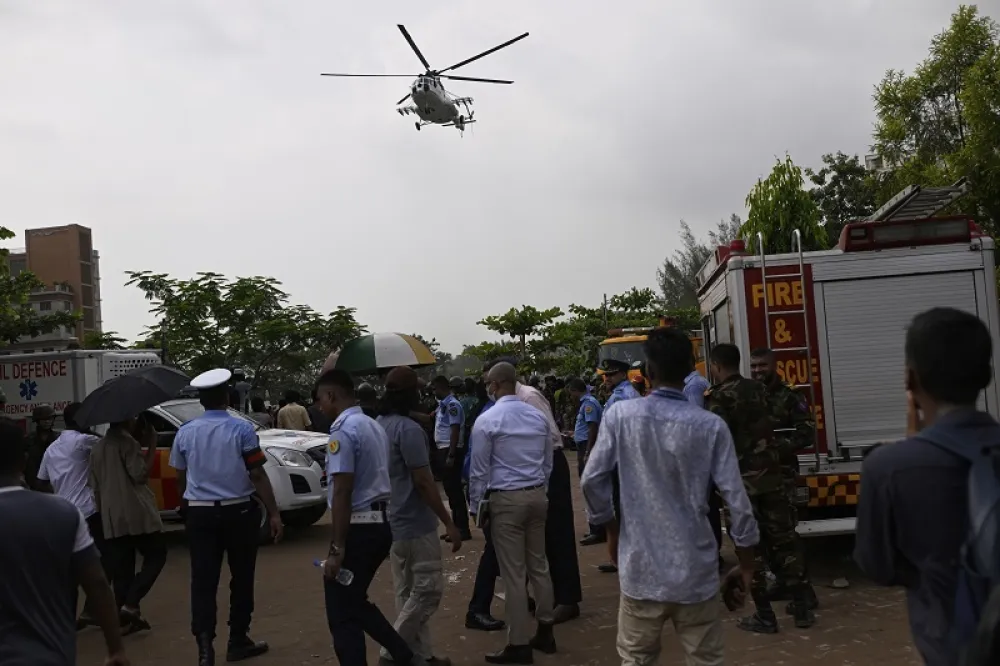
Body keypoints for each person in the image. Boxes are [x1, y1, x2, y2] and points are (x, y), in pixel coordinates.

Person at [581, 328, 759, 666]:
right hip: (696, 572)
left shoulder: (621, 417)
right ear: (691, 368)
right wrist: (747, 564)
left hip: (640, 572)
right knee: (706, 659)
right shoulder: (709, 426)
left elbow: (592, 480)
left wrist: (612, 530)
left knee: (636, 658)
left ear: (648, 371)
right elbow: (738, 503)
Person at [855, 308, 1000, 666]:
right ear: (988, 375)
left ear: (909, 379)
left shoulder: (887, 468)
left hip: (950, 649)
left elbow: (877, 567)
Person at [169, 368, 283, 666]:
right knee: (241, 577)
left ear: (201, 401)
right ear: (227, 397)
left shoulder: (185, 432)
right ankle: (237, 640)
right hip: (238, 512)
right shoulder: (242, 430)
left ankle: (205, 649)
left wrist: (187, 504)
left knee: (203, 581)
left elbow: (180, 475)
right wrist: (273, 512)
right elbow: (256, 472)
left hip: (200, 514)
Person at [0, 419, 131, 666]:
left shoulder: (53, 455)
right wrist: (115, 648)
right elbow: (97, 583)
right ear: (23, 460)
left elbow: (41, 481)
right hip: (50, 654)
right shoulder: (65, 515)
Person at [313, 369, 420, 666]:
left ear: (332, 396)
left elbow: (343, 490)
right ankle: (403, 655)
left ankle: (400, 655)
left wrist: (336, 549)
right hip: (379, 524)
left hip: (359, 527)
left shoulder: (343, 431)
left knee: (340, 611)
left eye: (321, 399)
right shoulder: (371, 425)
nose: (320, 406)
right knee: (353, 601)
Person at [704, 343, 814, 633]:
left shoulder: (718, 398)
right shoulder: (760, 390)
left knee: (748, 549)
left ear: (715, 366)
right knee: (785, 542)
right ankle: (803, 610)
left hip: (741, 485)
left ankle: (765, 615)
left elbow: (718, 443)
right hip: (773, 480)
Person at [468, 361, 557, 664]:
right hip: (536, 495)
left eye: (488, 384)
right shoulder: (537, 415)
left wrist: (475, 507)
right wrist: (540, 488)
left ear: (495, 384)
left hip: (506, 501)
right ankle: (546, 629)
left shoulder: (487, 420)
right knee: (539, 565)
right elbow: (548, 460)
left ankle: (518, 643)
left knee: (514, 575)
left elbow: (479, 472)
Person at [378, 366, 463, 666]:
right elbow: (424, 482)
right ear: (411, 394)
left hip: (392, 520)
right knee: (428, 590)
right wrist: (449, 522)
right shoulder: (408, 430)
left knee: (407, 593)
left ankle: (420, 656)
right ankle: (392, 652)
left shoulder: (380, 425)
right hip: (415, 522)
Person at [749, 347, 819, 612]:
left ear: (773, 366)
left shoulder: (791, 396)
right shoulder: (749, 395)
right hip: (757, 478)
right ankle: (781, 582)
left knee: (786, 536)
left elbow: (807, 433)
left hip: (782, 476)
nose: (757, 371)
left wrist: (775, 447)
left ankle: (805, 593)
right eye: (754, 366)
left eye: (762, 366)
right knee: (765, 536)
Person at [514, 365, 582, 624]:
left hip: (549, 464)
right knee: (541, 537)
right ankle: (551, 595)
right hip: (535, 467)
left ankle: (568, 600)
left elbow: (551, 437)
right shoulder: (513, 401)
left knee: (559, 534)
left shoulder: (529, 397)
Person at [89, 412, 168, 634]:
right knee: (157, 555)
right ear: (128, 420)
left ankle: (126, 618)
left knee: (123, 569)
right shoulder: (128, 443)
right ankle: (131, 603)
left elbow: (94, 486)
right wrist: (151, 445)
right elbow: (140, 475)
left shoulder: (98, 448)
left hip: (112, 515)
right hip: (136, 513)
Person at [35, 402, 107, 629]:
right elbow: (107, 445)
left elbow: (40, 481)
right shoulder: (84, 441)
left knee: (70, 570)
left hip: (63, 516)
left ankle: (66, 618)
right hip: (88, 513)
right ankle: (90, 611)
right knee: (103, 562)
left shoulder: (52, 448)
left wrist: (58, 498)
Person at [592, 359, 640, 573]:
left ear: (622, 374)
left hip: (622, 461)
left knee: (622, 512)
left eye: (610, 374)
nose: (607, 378)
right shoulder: (628, 394)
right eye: (605, 375)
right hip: (626, 460)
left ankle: (625, 559)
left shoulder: (623, 397)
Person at [431, 375, 471, 542]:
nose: (433, 392)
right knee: (450, 490)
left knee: (454, 491)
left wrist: (452, 454)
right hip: (444, 449)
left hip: (450, 449)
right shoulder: (442, 406)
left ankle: (462, 529)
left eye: (435, 389)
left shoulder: (453, 405)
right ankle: (455, 527)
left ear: (442, 387)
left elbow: (455, 430)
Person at [568, 378, 604, 544]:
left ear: (575, 390)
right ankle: (595, 527)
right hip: (583, 444)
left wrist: (588, 451)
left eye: (571, 392)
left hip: (586, 447)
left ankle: (598, 529)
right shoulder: (587, 402)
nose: (571, 396)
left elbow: (592, 428)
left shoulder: (588, 403)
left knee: (590, 487)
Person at [24, 403, 59, 490]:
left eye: (49, 419)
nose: (47, 422)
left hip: (54, 483)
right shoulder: (28, 440)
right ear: (37, 420)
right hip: (33, 484)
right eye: (43, 419)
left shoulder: (59, 439)